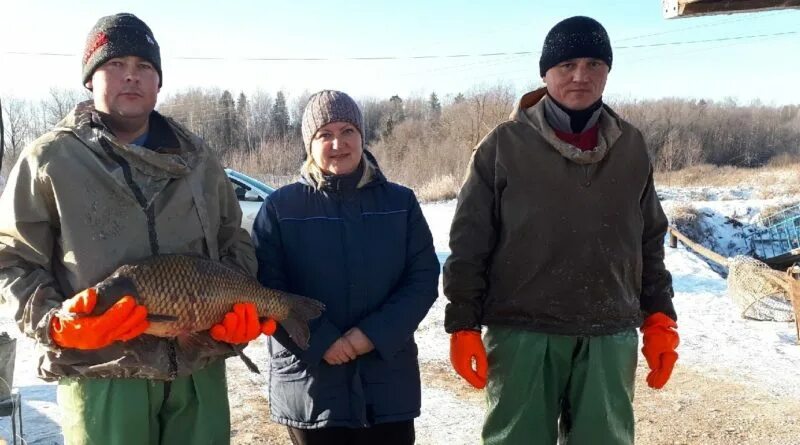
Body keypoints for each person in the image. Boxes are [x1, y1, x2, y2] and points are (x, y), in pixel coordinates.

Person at [0, 13, 274, 445]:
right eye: (115, 64)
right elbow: (12, 260)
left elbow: (232, 240)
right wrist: (55, 323)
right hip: (102, 375)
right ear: (90, 78)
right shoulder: (48, 160)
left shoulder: (200, 159)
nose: (131, 76)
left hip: (198, 372)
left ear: (159, 82)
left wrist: (239, 303)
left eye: (144, 66)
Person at [443, 16, 680, 445]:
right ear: (545, 71)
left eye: (594, 64)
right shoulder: (502, 145)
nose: (580, 76)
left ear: (608, 71)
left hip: (609, 332)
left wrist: (660, 316)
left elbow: (648, 239)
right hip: (522, 332)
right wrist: (462, 323)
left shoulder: (632, 146)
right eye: (567, 64)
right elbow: (468, 242)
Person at [251, 90, 440, 445]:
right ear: (309, 143)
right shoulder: (280, 208)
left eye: (348, 130)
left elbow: (423, 279)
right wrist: (322, 341)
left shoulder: (401, 203)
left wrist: (369, 336)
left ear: (362, 137)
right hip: (313, 388)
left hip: (386, 385)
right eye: (325, 134)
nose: (338, 143)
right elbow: (266, 290)